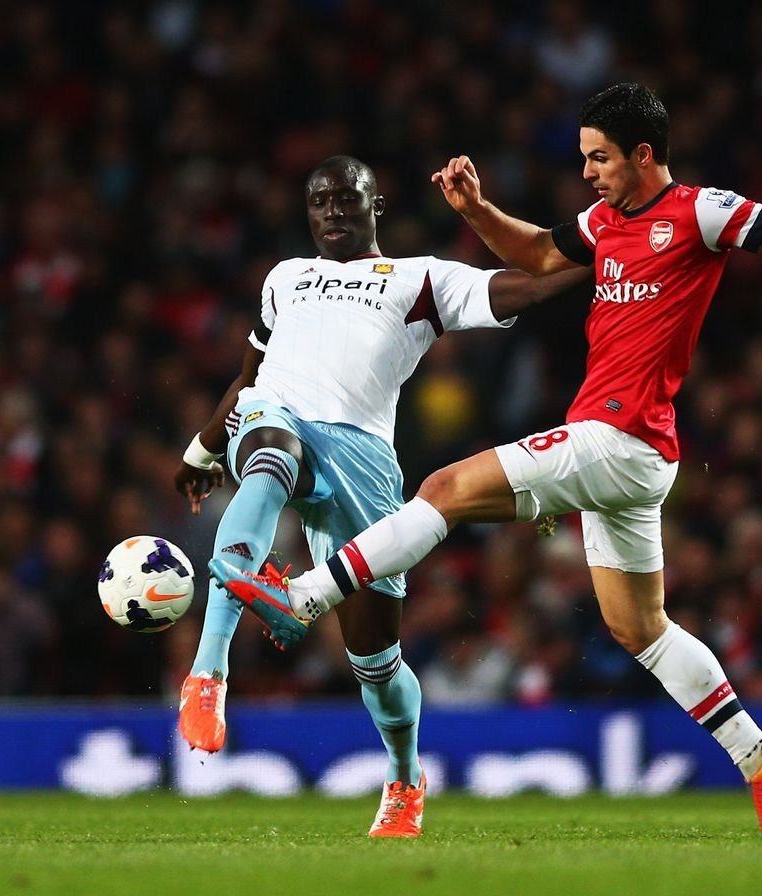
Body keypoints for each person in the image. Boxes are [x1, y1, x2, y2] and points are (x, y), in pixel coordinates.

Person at [212, 84, 762, 837]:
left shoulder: (698, 212)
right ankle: (760, 757)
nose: (587, 171)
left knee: (445, 487)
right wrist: (476, 211)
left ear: (643, 155)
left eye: (600, 158)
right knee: (641, 628)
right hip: (632, 455)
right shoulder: (605, 221)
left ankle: (305, 598)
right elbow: (537, 252)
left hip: (619, 438)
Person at [175, 154, 586, 838]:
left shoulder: (421, 280)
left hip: (363, 463)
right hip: (280, 419)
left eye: (347, 197)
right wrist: (202, 450)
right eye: (319, 201)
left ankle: (404, 777)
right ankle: (208, 674)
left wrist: (610, 258)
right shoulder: (285, 279)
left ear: (376, 207)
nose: (333, 210)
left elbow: (527, 288)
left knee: (374, 662)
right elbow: (249, 378)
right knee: (268, 454)